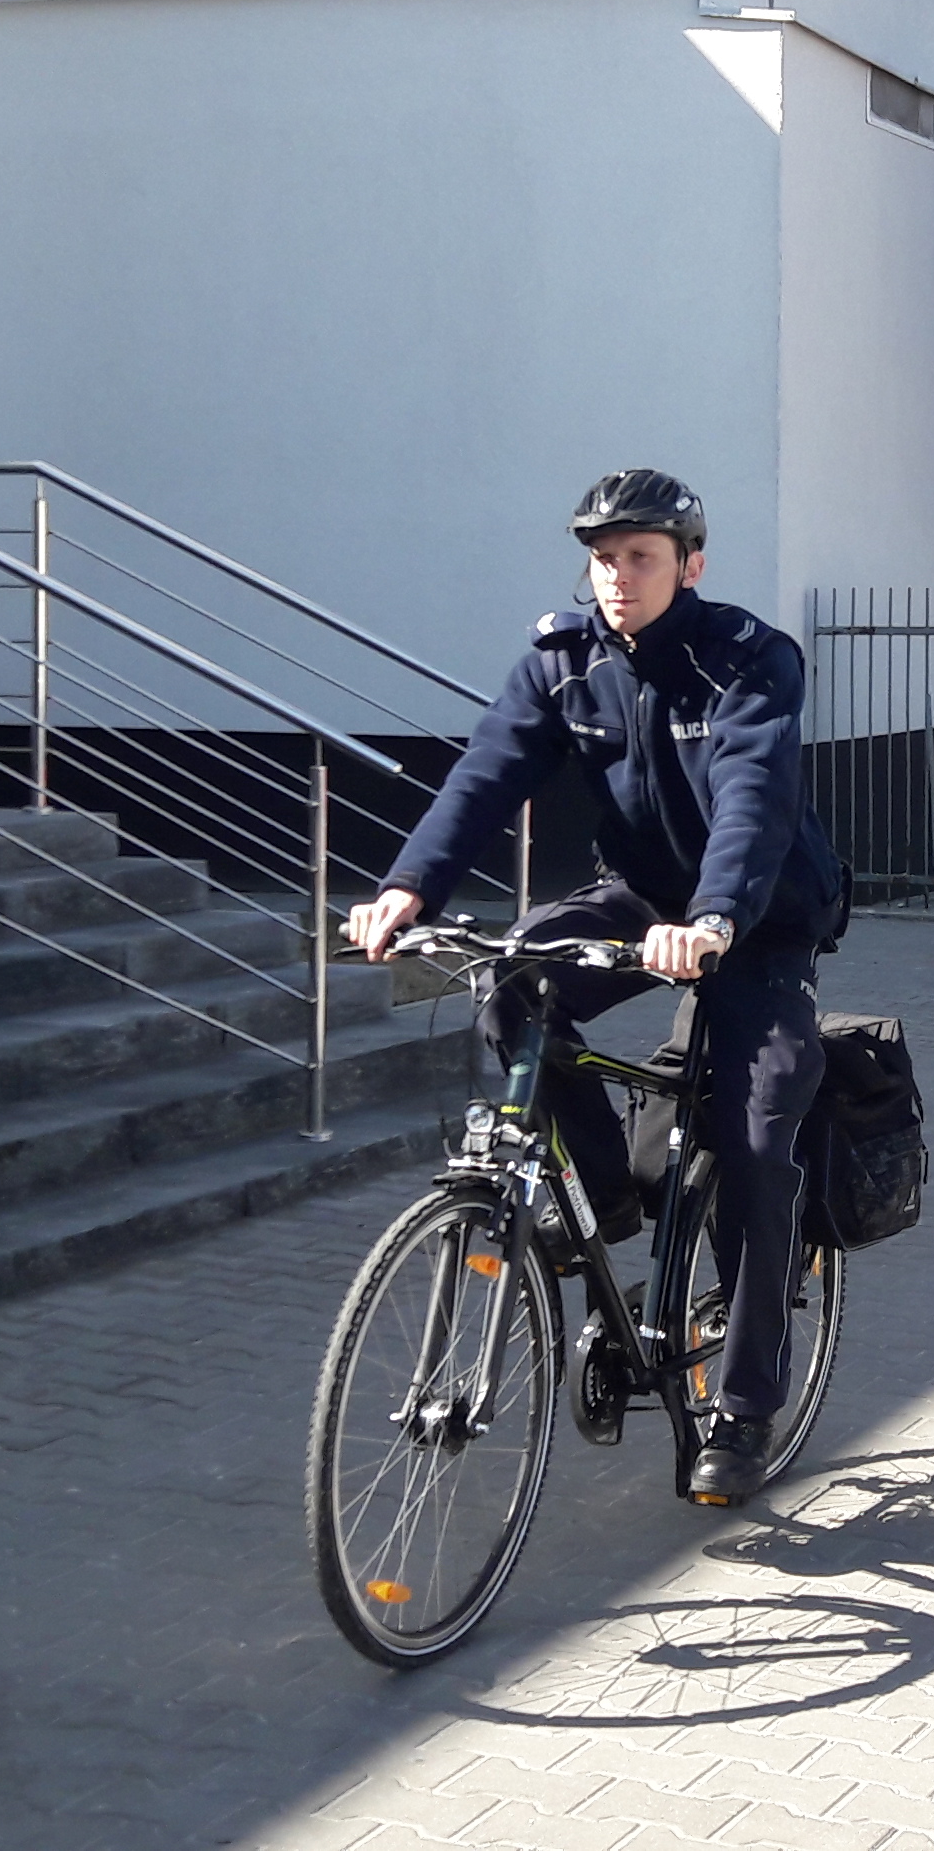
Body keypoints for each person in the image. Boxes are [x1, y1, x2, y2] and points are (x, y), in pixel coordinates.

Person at [345, 469, 849, 1505]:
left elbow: (752, 799)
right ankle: (610, 1192)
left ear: (689, 565)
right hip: (642, 896)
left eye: (642, 558)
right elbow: (483, 778)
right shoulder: (563, 663)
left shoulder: (746, 663)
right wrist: (405, 888)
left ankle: (745, 1410)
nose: (619, 577)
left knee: (755, 1142)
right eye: (605, 558)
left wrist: (713, 920)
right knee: (512, 983)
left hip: (752, 921)